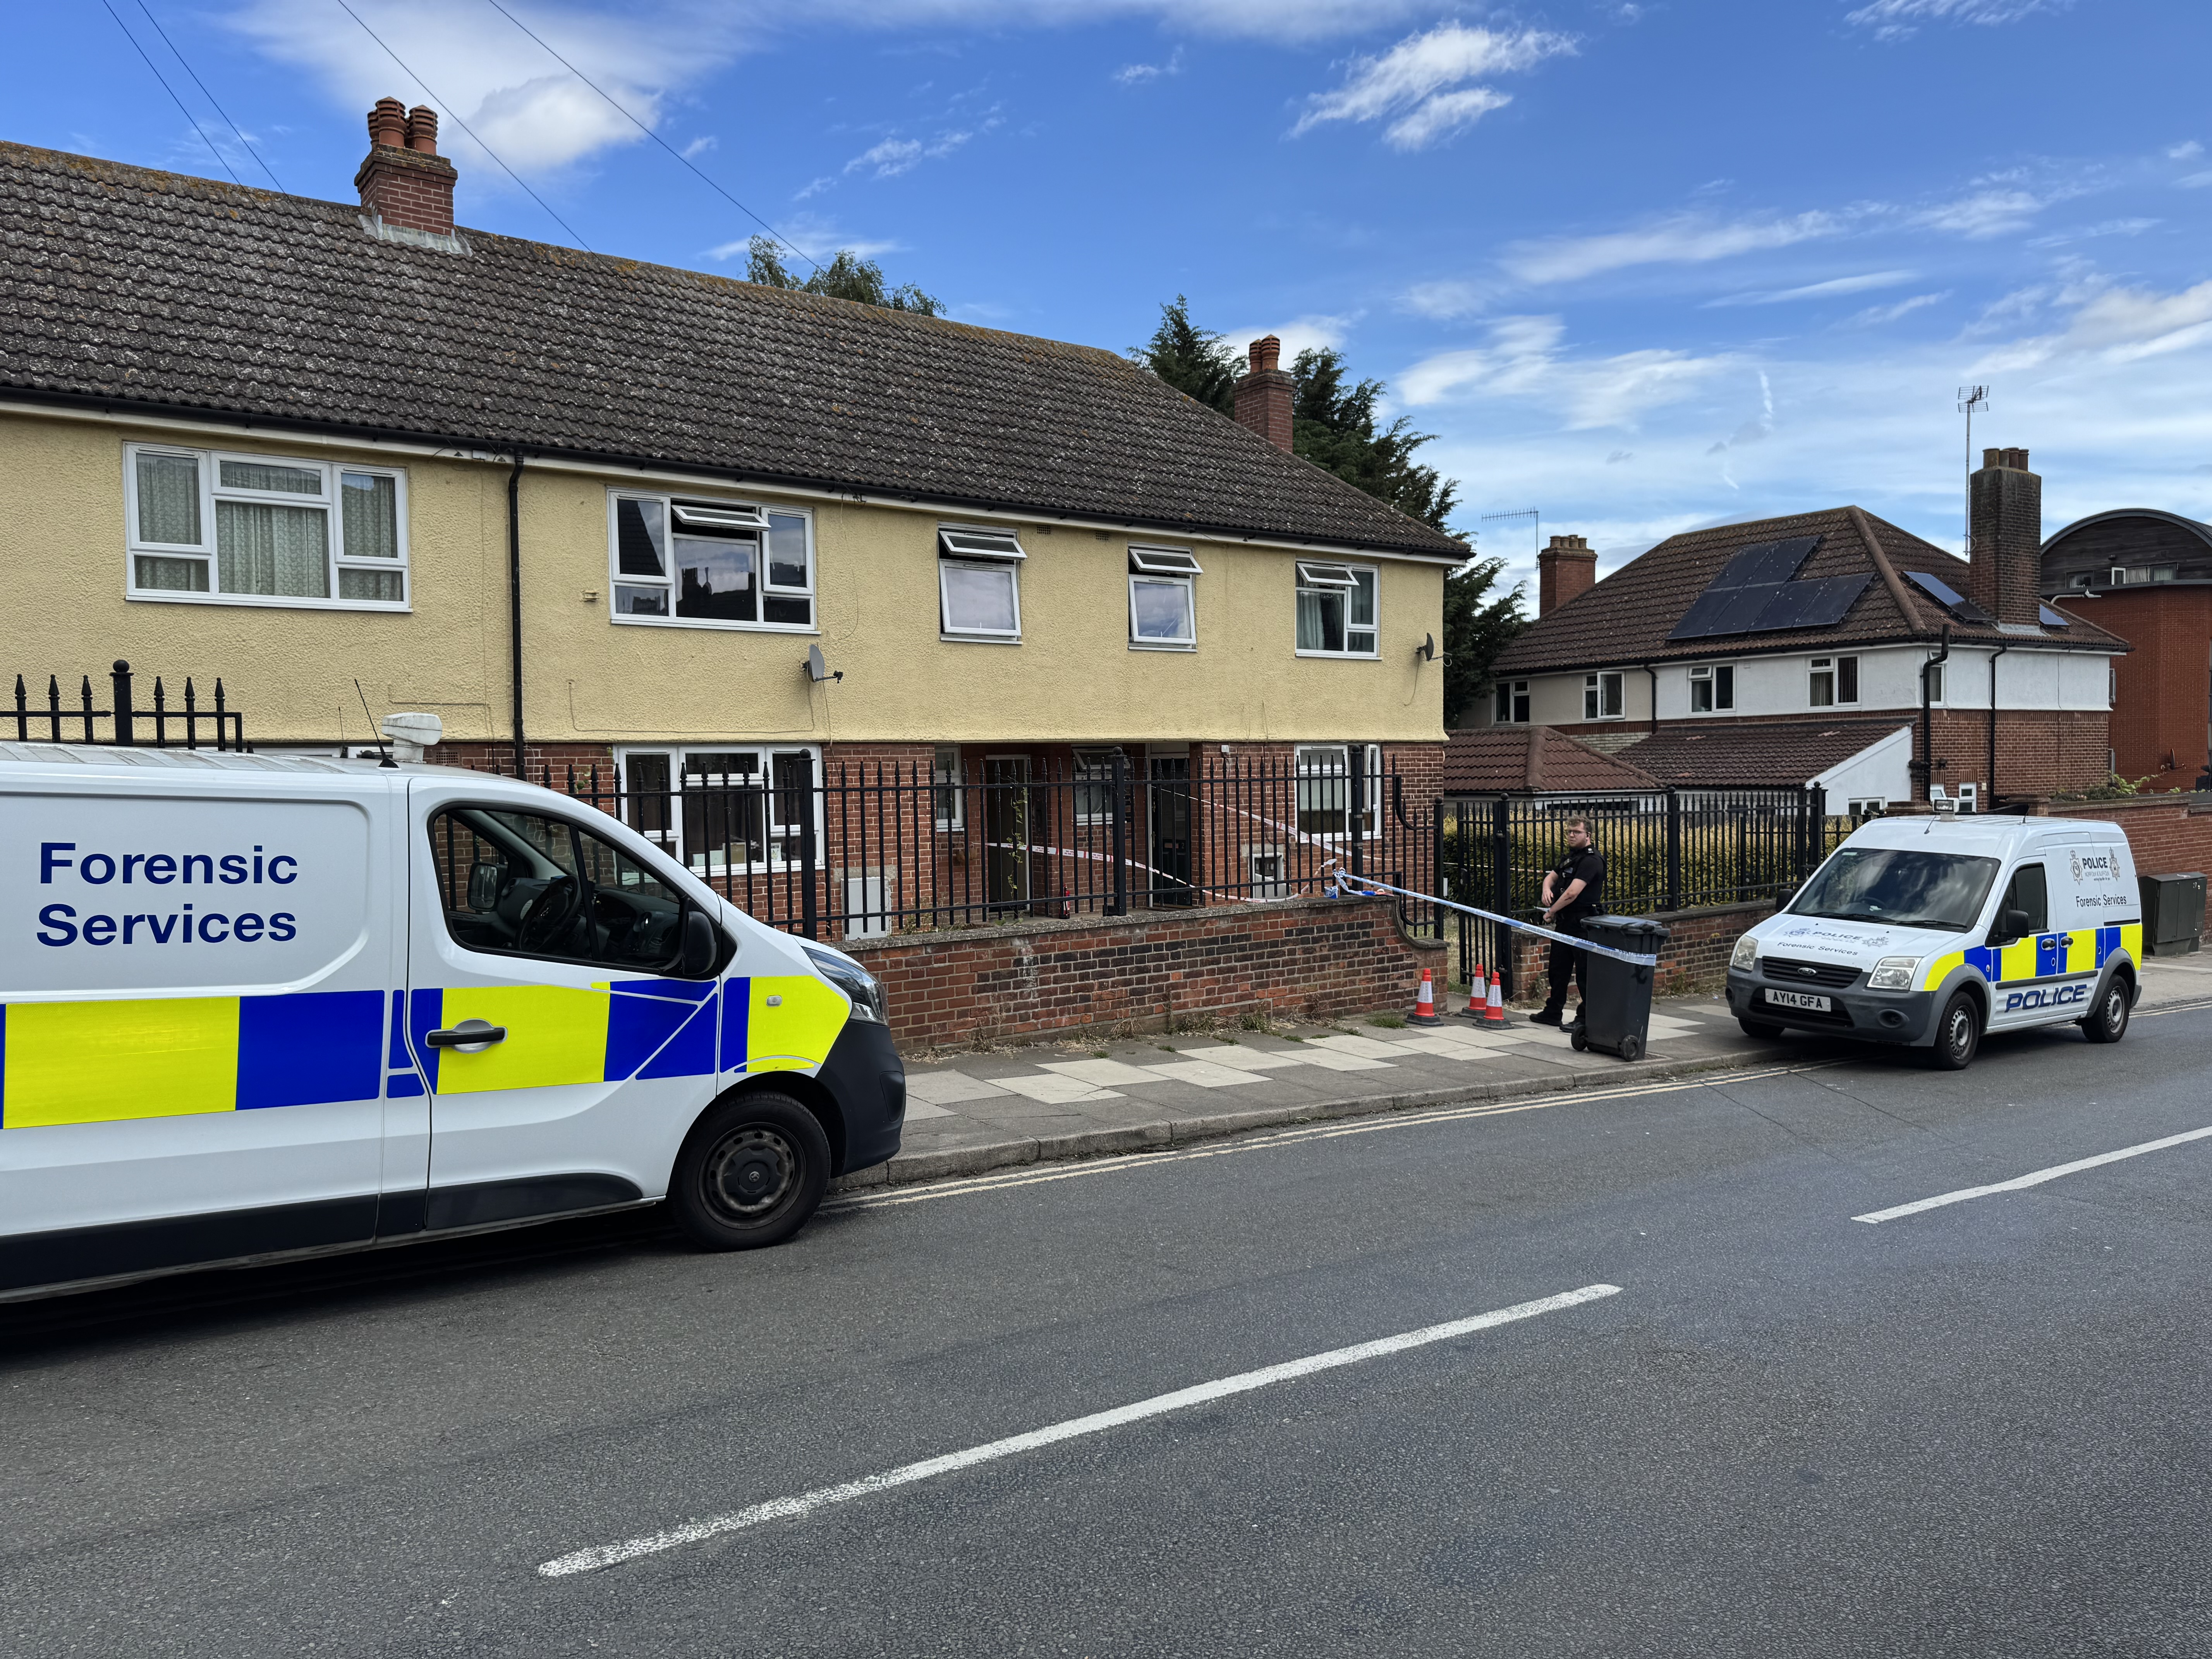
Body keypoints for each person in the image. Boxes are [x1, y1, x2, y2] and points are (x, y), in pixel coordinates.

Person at [1530, 816, 1607, 1027]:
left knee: (1584, 973)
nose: (1572, 835)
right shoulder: (1572, 857)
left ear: (1588, 835)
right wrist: (1546, 889)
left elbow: (1573, 893)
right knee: (1558, 969)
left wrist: (1551, 911)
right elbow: (1552, 876)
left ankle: (1585, 1019)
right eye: (1569, 832)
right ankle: (1553, 1012)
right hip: (1565, 923)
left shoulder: (1592, 861)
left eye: (1577, 832)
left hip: (1583, 923)